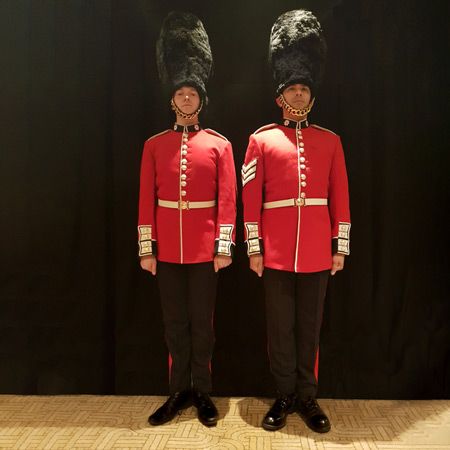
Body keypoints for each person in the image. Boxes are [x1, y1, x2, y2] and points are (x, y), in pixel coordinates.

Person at [242, 10, 350, 433]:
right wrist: (254, 248)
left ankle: (308, 396)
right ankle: (284, 394)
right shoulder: (260, 139)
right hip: (276, 252)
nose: (300, 94)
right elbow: (251, 201)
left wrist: (339, 246)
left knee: (310, 327)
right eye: (293, 88)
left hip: (317, 253)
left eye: (305, 88)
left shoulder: (331, 141)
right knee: (280, 329)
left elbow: (340, 197)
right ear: (280, 96)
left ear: (311, 94)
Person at [138, 11, 236, 427]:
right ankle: (178, 390)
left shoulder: (219, 145)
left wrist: (223, 247)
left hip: (203, 249)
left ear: (201, 100)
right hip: (168, 251)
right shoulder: (154, 146)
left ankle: (203, 392)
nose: (186, 101)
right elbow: (146, 201)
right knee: (174, 325)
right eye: (180, 95)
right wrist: (148, 248)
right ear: (171, 100)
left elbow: (228, 200)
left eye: (192, 95)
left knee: (203, 326)